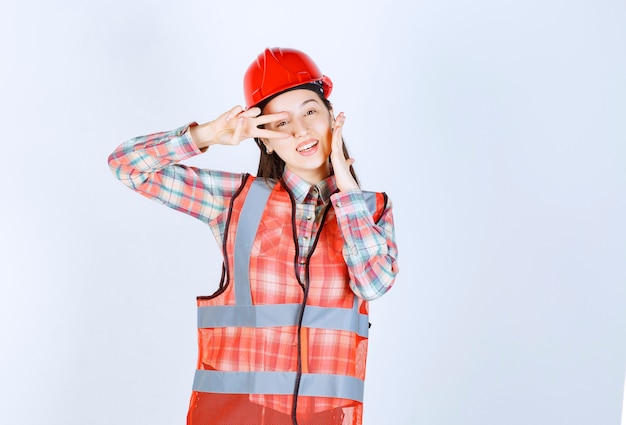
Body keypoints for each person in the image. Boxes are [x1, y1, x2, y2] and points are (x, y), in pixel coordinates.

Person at [108, 47, 399, 425]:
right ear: (264, 139)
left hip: (328, 418)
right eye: (281, 123)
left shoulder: (370, 209)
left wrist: (346, 194)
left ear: (331, 117)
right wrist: (207, 135)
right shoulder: (234, 200)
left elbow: (373, 284)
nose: (300, 130)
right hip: (237, 416)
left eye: (310, 111)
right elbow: (127, 167)